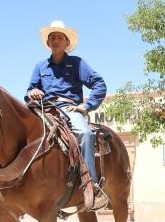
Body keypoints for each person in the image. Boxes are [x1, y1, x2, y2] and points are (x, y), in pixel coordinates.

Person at [27, 20, 108, 210]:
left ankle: (91, 185)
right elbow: (31, 89)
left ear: (66, 43)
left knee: (85, 134)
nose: (55, 40)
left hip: (68, 108)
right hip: (43, 107)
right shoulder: (40, 67)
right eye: (52, 37)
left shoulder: (77, 63)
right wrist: (33, 93)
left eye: (60, 38)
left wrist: (86, 106)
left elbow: (99, 84)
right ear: (48, 43)